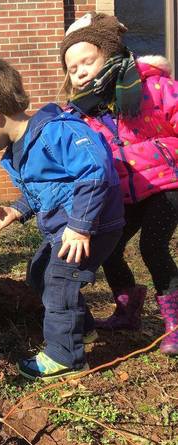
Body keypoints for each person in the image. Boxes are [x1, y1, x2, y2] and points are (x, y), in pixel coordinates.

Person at [0, 57, 124, 381]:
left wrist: (80, 227)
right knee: (39, 271)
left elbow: (95, 171)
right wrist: (15, 211)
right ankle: (81, 330)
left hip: (93, 226)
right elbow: (44, 191)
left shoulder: (57, 132)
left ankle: (66, 357)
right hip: (69, 228)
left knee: (59, 280)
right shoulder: (21, 150)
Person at [60, 12, 178, 355]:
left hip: (166, 183)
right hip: (124, 190)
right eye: (72, 68)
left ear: (110, 53)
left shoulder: (150, 84)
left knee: (152, 247)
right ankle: (128, 311)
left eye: (87, 61)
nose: (81, 71)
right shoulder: (84, 112)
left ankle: (174, 322)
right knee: (108, 246)